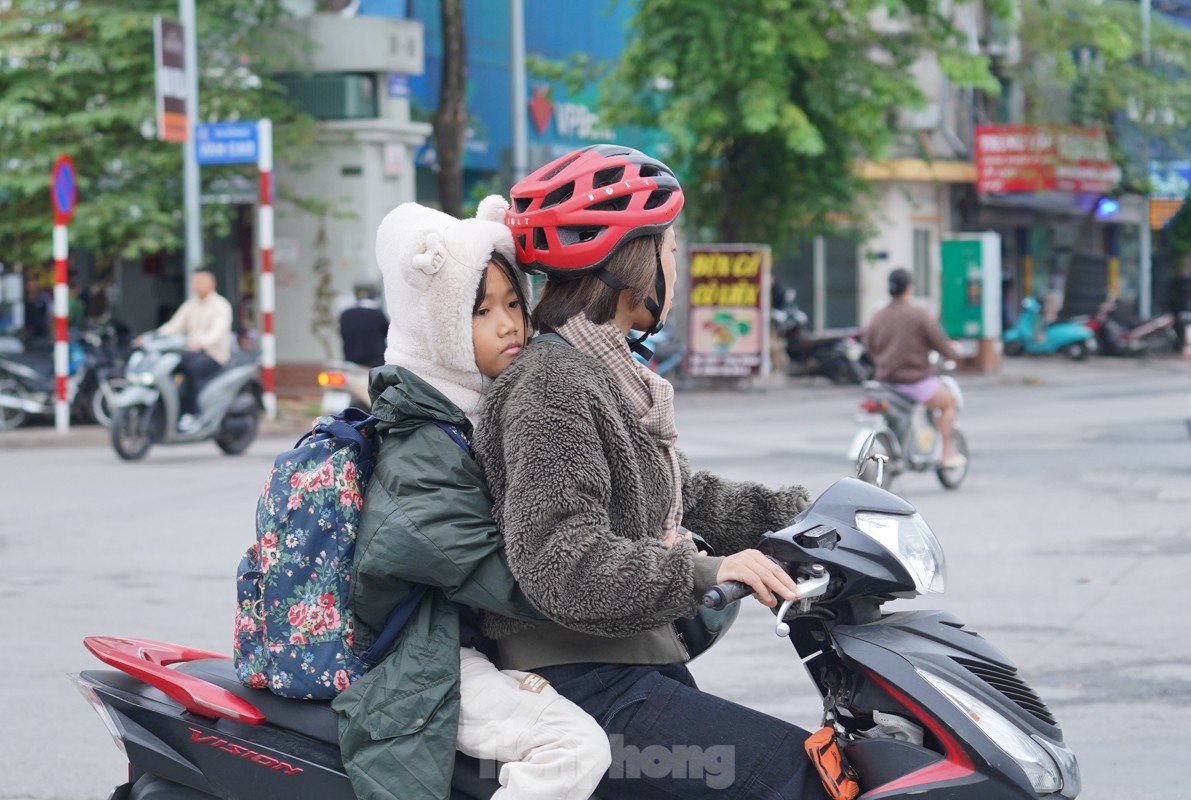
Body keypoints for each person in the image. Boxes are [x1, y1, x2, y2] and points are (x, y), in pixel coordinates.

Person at [472, 144, 826, 799]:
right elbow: (560, 559)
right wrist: (707, 571)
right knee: (796, 778)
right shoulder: (552, 383)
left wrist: (812, 516)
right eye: (667, 248)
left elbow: (680, 496)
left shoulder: (602, 373)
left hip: (628, 667)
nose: (674, 264)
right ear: (632, 263)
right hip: (583, 685)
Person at [331, 197, 611, 800]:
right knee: (575, 747)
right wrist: (618, 584)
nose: (510, 324)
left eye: (515, 303)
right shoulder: (420, 444)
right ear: (440, 329)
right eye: (482, 311)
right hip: (430, 656)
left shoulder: (468, 418)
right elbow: (501, 574)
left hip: (469, 642)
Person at [863, 267, 963, 467]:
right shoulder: (919, 314)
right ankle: (946, 454)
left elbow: (869, 347)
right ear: (909, 288)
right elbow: (941, 344)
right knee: (948, 403)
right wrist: (953, 350)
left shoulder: (878, 316)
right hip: (916, 382)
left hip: (886, 383)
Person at [144, 270, 233, 432]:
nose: (196, 285)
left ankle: (192, 414)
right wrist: (152, 336)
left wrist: (201, 343)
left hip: (213, 355)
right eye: (195, 282)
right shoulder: (191, 305)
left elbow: (218, 331)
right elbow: (174, 326)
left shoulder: (221, 306)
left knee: (190, 370)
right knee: (167, 368)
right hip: (191, 353)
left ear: (212, 284)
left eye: (200, 282)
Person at [338, 283, 389, 368]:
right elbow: (388, 334)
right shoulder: (377, 314)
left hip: (352, 362)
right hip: (376, 363)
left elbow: (343, 335)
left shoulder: (345, 315)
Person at [22, 274, 51, 342]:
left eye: (34, 283)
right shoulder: (22, 298)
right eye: (30, 284)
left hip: (41, 332)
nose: (32, 286)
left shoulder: (44, 297)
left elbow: (49, 313)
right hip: (26, 333)